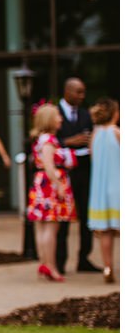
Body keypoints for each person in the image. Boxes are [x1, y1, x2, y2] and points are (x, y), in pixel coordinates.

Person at [26, 102, 77, 282]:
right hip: (50, 185)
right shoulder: (49, 140)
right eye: (57, 116)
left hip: (42, 183)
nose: (60, 119)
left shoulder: (40, 139)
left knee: (41, 227)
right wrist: (58, 185)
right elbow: (48, 165)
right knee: (51, 227)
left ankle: (44, 262)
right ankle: (51, 266)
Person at [56, 77, 96, 274]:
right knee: (62, 218)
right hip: (63, 174)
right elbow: (44, 142)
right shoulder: (54, 113)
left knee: (86, 216)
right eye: (78, 92)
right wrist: (69, 141)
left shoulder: (85, 114)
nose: (82, 96)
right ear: (67, 91)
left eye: (83, 92)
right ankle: (59, 260)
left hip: (84, 171)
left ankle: (84, 259)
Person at [87, 98, 119, 283]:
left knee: (105, 231)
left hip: (100, 188)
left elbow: (93, 158)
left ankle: (107, 267)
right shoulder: (117, 132)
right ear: (115, 113)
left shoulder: (95, 135)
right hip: (117, 186)